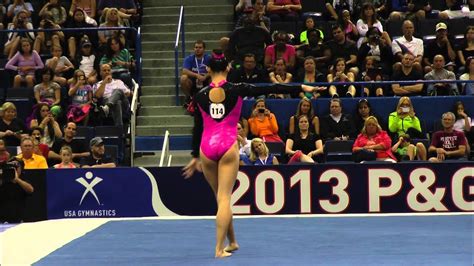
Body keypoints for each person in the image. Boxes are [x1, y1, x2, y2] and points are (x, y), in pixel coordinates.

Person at [182, 50, 318, 258]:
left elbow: (197, 127)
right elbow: (271, 86)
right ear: (228, 68)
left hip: (207, 148)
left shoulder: (199, 95)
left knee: (220, 199)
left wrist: (194, 156)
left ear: (208, 69)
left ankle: (233, 242)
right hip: (228, 145)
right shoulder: (237, 89)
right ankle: (219, 249)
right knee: (225, 198)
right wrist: (300, 87)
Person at [93, 63, 132, 128]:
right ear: (100, 73)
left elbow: (128, 93)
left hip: (124, 104)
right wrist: (104, 82)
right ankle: (119, 129)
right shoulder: (97, 84)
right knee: (117, 102)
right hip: (108, 102)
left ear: (111, 72)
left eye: (108, 70)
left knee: (117, 91)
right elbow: (98, 96)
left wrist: (117, 95)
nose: (107, 72)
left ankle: (107, 107)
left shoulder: (118, 81)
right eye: (104, 70)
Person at [0, 158, 34, 223]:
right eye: (12, 167)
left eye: (16, 167)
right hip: (2, 218)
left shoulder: (23, 178)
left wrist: (17, 180)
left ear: (21, 169)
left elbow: (31, 190)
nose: (14, 170)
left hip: (18, 218)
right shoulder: (3, 177)